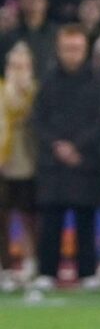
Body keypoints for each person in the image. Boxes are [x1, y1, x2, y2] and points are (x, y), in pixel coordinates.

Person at [30, 25, 100, 290]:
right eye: (67, 48)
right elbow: (38, 120)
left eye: (77, 48)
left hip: (85, 162)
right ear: (58, 49)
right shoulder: (48, 80)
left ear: (85, 50)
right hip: (54, 163)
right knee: (51, 220)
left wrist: (77, 147)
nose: (72, 54)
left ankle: (87, 271)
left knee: (85, 220)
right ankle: (46, 271)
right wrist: (57, 146)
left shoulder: (98, 81)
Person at [0, 42, 38, 291]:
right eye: (14, 65)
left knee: (29, 215)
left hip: (29, 159)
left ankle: (31, 262)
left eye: (23, 66)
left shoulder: (36, 92)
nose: (18, 70)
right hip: (4, 158)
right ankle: (4, 266)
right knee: (2, 216)